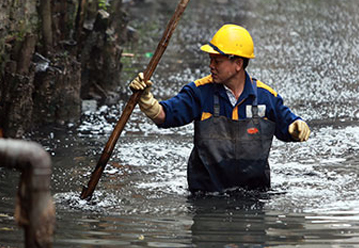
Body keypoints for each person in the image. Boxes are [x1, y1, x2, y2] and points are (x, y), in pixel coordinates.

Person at [129, 24, 310, 193]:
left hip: (253, 195)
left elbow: (288, 124)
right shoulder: (199, 92)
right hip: (206, 194)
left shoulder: (265, 97)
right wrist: (146, 100)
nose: (211, 66)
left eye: (217, 61)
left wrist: (297, 127)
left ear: (238, 64)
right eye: (211, 60)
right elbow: (165, 116)